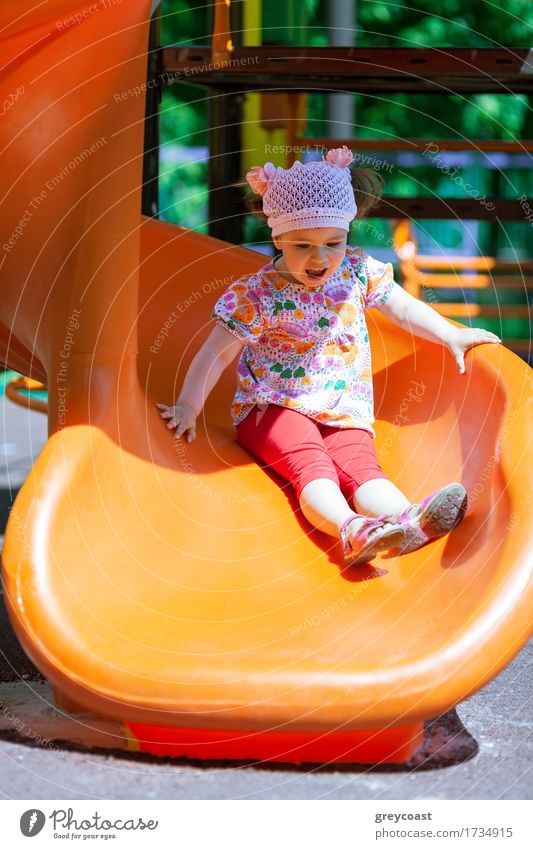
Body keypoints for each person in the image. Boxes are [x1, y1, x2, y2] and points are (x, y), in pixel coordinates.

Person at [156, 146, 501, 567]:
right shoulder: (258, 295)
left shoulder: (356, 271)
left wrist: (449, 332)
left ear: (347, 235)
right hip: (272, 409)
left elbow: (403, 307)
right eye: (303, 245)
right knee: (313, 464)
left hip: (341, 409)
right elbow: (216, 352)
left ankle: (409, 522)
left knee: (363, 469)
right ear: (277, 237)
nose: (319, 258)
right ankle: (351, 527)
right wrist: (189, 405)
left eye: (333, 243)